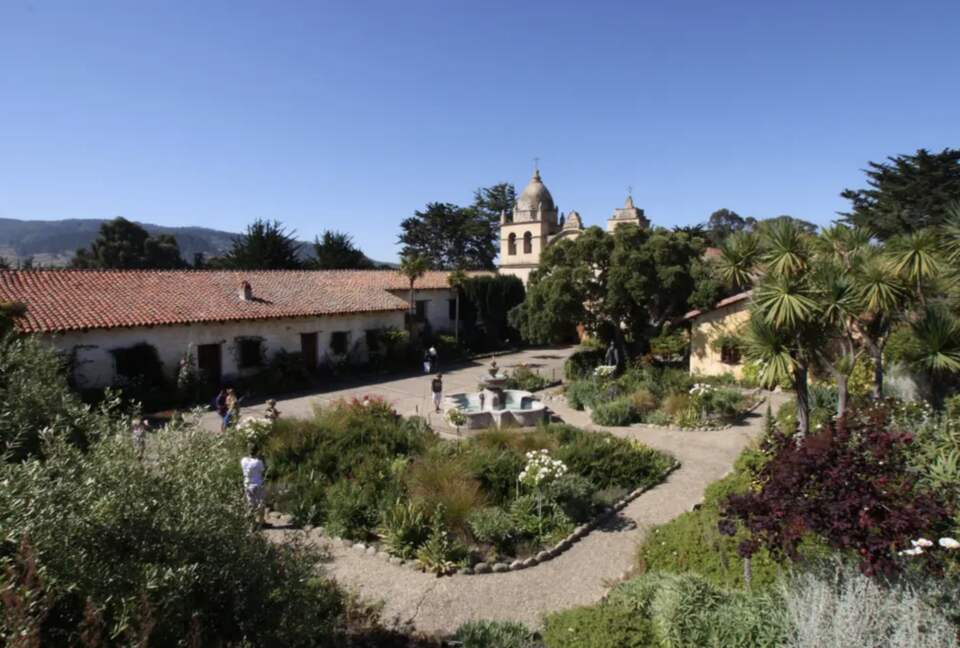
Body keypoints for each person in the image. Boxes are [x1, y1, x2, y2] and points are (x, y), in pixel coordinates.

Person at [240, 444, 266, 527]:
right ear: (257, 451)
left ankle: (251, 523)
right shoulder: (258, 462)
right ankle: (261, 522)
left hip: (247, 484)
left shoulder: (243, 460)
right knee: (261, 503)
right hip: (257, 484)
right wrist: (262, 458)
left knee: (250, 504)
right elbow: (262, 470)